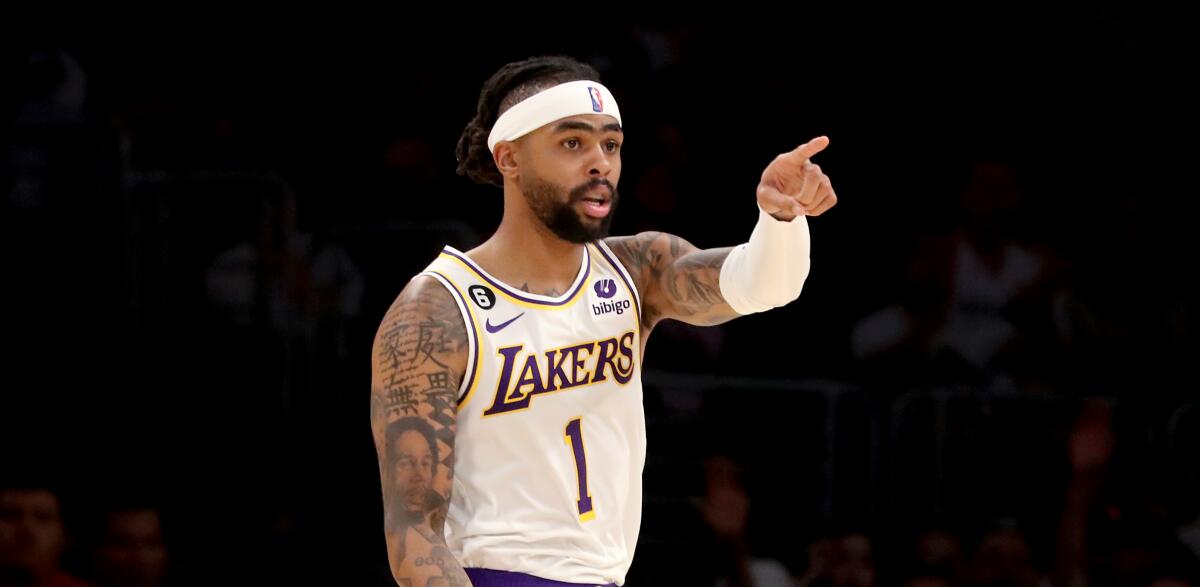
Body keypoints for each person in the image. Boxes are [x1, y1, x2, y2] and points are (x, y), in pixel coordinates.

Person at [369, 54, 837, 586]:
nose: (601, 163)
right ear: (509, 158)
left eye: (610, 144)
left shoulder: (638, 268)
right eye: (573, 143)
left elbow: (759, 285)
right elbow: (414, 534)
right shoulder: (434, 309)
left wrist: (780, 218)